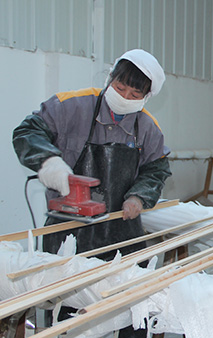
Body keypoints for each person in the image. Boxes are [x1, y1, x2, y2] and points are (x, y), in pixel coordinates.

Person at [12, 49, 172, 335]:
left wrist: (139, 196)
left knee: (133, 314)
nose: (124, 96)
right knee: (68, 321)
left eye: (135, 95)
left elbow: (156, 168)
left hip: (122, 236)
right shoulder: (71, 106)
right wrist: (49, 163)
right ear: (109, 78)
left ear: (147, 97)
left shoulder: (147, 127)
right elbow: (27, 131)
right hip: (68, 234)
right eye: (119, 87)